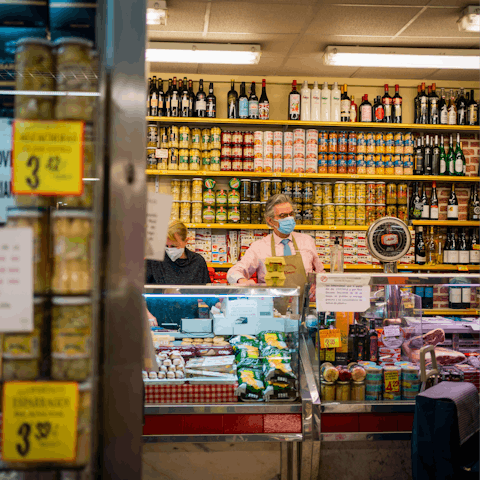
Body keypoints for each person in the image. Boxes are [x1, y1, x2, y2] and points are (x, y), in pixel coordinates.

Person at [227, 194, 324, 311]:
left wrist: (317, 285)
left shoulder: (307, 241)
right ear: (270, 221)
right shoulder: (259, 247)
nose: (289, 219)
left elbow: (321, 274)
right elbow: (233, 272)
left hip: (304, 309)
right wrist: (243, 281)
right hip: (271, 311)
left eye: (291, 214)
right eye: (283, 216)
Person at [145, 220, 211, 325]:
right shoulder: (154, 260)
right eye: (167, 246)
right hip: (158, 322)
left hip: (190, 323)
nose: (170, 250)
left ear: (186, 241)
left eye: (175, 246)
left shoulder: (198, 262)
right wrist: (146, 314)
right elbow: (138, 292)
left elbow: (207, 296)